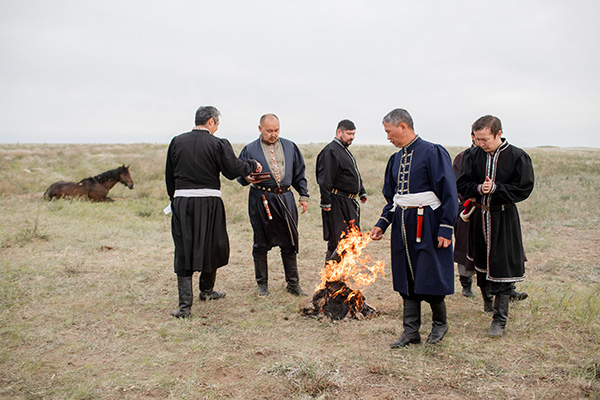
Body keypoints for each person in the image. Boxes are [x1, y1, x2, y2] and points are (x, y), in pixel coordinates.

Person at [370, 108, 458, 347]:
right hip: (402, 224)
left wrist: (446, 227)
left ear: (403, 126)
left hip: (428, 223)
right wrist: (382, 223)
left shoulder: (433, 152)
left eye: (389, 132)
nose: (388, 137)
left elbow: (449, 193)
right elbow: (394, 198)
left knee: (430, 272)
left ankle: (440, 324)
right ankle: (411, 331)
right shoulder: (395, 159)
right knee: (406, 275)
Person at [166, 106, 262, 318]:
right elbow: (232, 170)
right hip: (209, 203)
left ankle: (184, 307)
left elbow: (169, 177)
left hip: (182, 202)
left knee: (183, 248)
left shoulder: (176, 142)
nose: (217, 127)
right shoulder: (218, 143)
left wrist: (175, 201)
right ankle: (206, 291)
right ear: (211, 121)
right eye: (217, 123)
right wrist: (252, 165)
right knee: (213, 244)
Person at [456, 115, 534, 337]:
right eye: (477, 139)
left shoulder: (518, 156)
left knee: (501, 266)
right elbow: (461, 184)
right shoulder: (471, 155)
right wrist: (479, 188)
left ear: (498, 134)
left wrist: (497, 189)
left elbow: (524, 188)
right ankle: (487, 302)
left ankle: (499, 319)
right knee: (480, 263)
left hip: (504, 218)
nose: (480, 143)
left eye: (485, 139)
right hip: (479, 217)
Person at [237, 114, 309, 297]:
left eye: (276, 130)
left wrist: (303, 195)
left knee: (290, 241)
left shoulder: (290, 146)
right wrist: (247, 178)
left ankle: (293, 284)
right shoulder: (249, 149)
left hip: (285, 198)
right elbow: (239, 174)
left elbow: (299, 172)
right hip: (260, 199)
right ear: (260, 128)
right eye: (269, 130)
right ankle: (262, 285)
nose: (273, 134)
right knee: (260, 243)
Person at [316, 119, 367, 262]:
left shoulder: (343, 150)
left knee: (350, 239)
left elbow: (353, 174)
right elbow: (325, 178)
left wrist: (361, 191)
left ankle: (336, 275)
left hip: (348, 202)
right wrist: (326, 202)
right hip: (337, 202)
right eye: (349, 134)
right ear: (339, 132)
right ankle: (331, 274)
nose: (352, 137)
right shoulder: (331, 151)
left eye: (354, 134)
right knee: (340, 241)